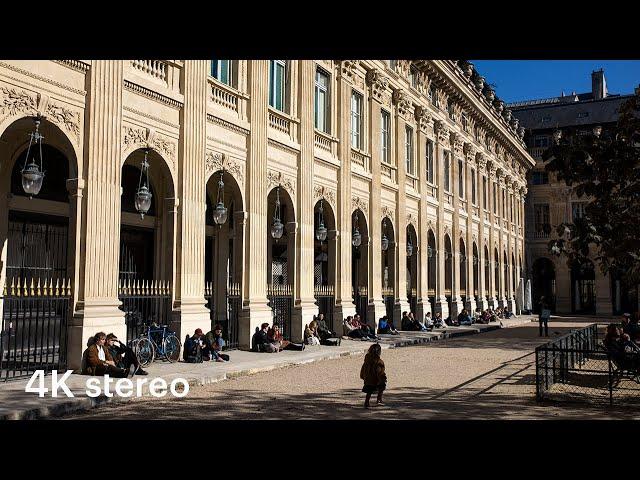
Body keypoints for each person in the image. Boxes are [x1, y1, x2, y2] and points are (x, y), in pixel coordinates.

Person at [360, 343, 387, 409]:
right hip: (375, 379)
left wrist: (363, 376)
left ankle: (366, 402)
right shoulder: (379, 361)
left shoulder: (367, 360)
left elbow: (363, 369)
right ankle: (379, 398)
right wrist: (382, 378)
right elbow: (379, 372)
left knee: (369, 392)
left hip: (367, 379)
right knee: (382, 385)